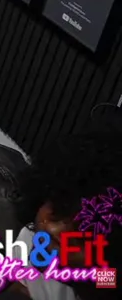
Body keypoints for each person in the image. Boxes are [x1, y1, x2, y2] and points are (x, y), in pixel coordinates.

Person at [13, 127, 121, 300]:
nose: (54, 230)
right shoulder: (29, 237)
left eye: (82, 236)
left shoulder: (104, 279)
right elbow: (18, 285)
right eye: (58, 210)